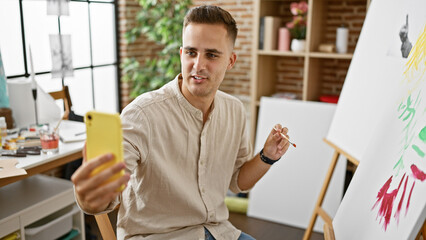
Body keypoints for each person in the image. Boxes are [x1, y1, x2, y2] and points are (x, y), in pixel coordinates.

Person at [71, 5, 290, 240]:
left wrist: (267, 156)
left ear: (231, 60)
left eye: (212, 55)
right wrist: (89, 197)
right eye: (191, 52)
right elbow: (105, 196)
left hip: (219, 232)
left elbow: (238, 182)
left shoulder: (234, 110)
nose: (198, 65)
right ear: (181, 54)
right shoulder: (141, 114)